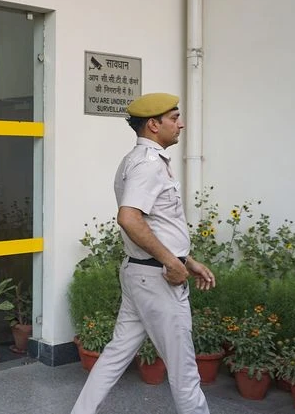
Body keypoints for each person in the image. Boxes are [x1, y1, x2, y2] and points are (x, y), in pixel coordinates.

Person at [71, 93, 217, 414]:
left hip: (141, 272)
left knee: (115, 355)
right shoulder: (149, 165)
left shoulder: (133, 160)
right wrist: (171, 261)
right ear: (153, 124)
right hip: (158, 278)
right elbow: (129, 217)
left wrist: (186, 260)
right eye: (174, 118)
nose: (181, 124)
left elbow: (158, 223)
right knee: (184, 372)